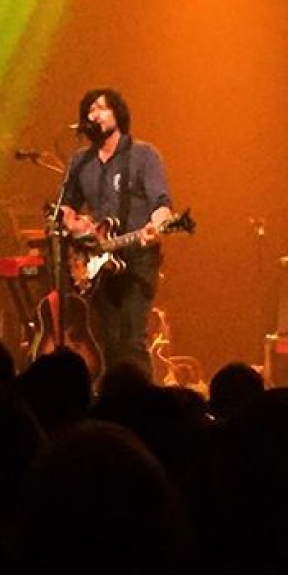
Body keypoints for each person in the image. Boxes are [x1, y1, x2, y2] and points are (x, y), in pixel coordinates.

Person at [57, 88, 174, 382]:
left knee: (132, 339)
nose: (93, 115)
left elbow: (162, 204)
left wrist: (157, 227)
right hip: (98, 261)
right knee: (107, 341)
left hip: (137, 256)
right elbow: (65, 208)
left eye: (100, 108)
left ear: (118, 114)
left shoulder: (144, 155)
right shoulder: (80, 162)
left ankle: (143, 408)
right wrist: (77, 226)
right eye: (89, 111)